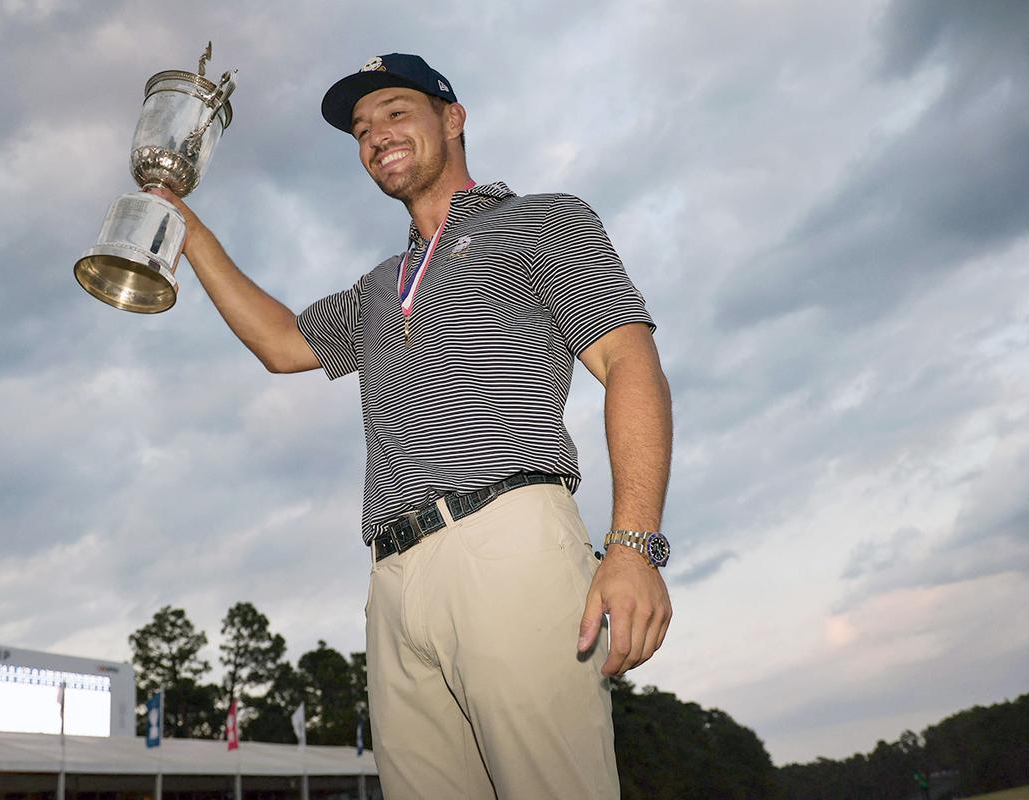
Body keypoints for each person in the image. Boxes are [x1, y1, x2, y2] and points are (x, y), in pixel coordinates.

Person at [151, 52, 673, 800]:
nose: (374, 136)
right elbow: (277, 343)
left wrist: (633, 545)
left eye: (395, 111)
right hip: (393, 579)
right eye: (361, 129)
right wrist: (186, 225)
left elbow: (631, 362)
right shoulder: (375, 289)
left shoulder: (540, 220)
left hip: (508, 541)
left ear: (452, 119)